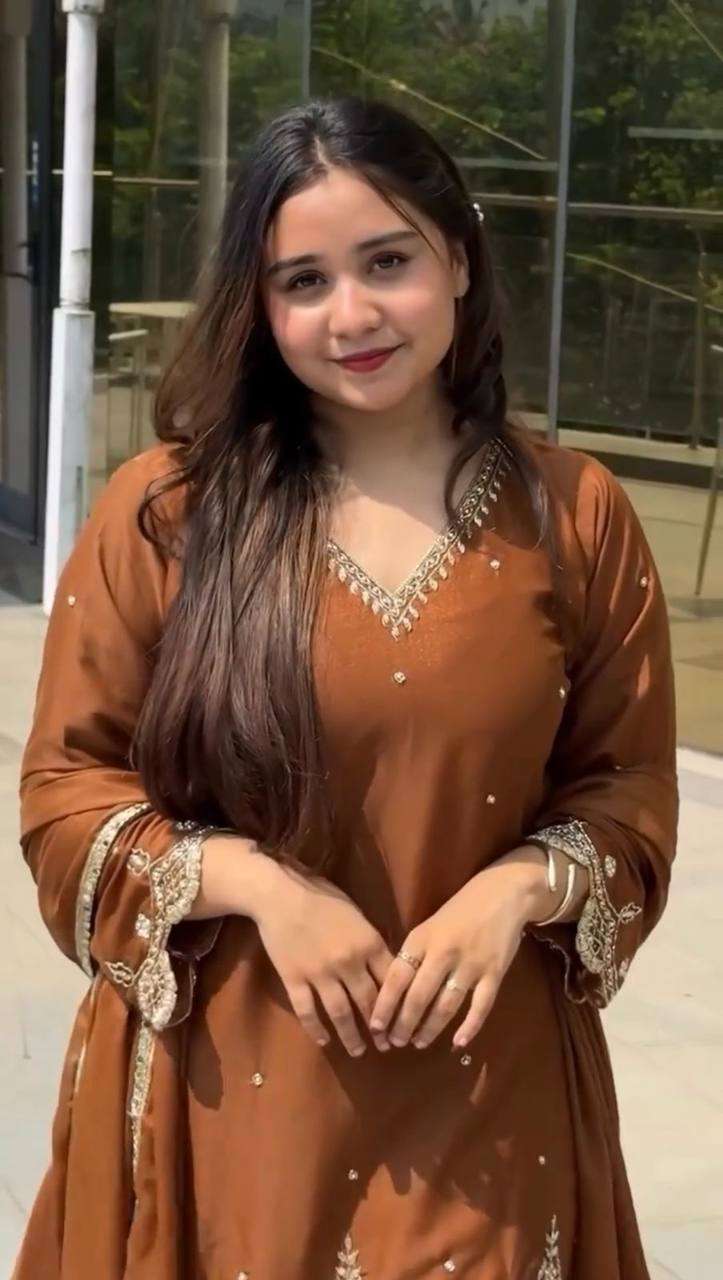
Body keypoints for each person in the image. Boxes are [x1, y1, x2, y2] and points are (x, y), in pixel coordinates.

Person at [14, 95, 678, 1279]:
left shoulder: (574, 516)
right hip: (222, 1097)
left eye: (388, 262)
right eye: (304, 281)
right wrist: (258, 884)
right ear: (259, 305)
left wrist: (519, 888)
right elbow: (66, 790)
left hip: (490, 1094)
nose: (354, 314)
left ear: (458, 259)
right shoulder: (172, 513)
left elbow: (627, 786)